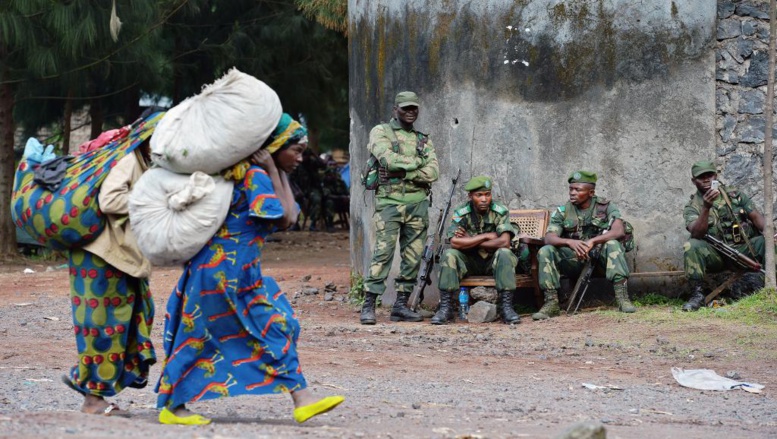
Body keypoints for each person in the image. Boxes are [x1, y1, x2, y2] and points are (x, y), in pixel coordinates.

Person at [156, 114, 344, 425]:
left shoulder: (262, 173)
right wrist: (270, 167)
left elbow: (291, 214)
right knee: (200, 335)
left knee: (276, 324)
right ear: (274, 148)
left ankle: (301, 398)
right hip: (220, 274)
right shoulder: (255, 175)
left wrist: (275, 168)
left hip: (238, 272)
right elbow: (285, 218)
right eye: (295, 150)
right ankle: (171, 406)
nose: (299, 158)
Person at [61, 141, 156, 416]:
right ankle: (93, 399)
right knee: (104, 327)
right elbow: (111, 199)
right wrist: (153, 201)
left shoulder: (147, 162)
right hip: (100, 255)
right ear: (148, 137)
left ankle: (87, 379)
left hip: (120, 256)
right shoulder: (128, 159)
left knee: (141, 313)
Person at [360, 91, 439, 325]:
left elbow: (434, 171)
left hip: (418, 205)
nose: (410, 111)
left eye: (414, 107)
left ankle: (401, 306)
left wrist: (404, 171)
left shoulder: (423, 139)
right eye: (405, 108)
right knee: (382, 254)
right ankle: (368, 305)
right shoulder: (380, 132)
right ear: (395, 109)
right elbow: (387, 159)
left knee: (413, 257)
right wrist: (416, 166)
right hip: (389, 204)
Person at [534, 171, 636, 320]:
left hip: (601, 259)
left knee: (613, 244)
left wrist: (593, 241)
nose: (572, 193)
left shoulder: (606, 207)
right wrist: (570, 242)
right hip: (575, 259)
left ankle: (622, 299)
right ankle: (551, 303)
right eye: (571, 189)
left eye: (578, 190)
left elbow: (618, 231)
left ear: (591, 192)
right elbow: (549, 238)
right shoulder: (563, 211)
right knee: (546, 250)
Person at [431, 176, 522, 325]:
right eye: (479, 195)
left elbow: (504, 242)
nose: (484, 199)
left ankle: (506, 307)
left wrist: (470, 239)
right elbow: (455, 242)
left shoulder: (500, 211)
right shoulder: (462, 212)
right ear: (470, 196)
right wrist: (485, 236)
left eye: (487, 194)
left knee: (505, 253)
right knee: (449, 254)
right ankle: (446, 309)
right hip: (470, 262)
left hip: (493, 262)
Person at [681, 160, 770, 311]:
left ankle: (768, 286)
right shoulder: (692, 207)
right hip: (718, 256)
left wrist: (772, 233)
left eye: (710, 175)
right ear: (693, 181)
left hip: (744, 249)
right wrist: (706, 207)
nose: (706, 179)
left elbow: (757, 218)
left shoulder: (735, 195)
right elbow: (696, 233)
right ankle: (697, 295)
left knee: (767, 240)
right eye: (701, 177)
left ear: (715, 175)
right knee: (691, 245)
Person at [322, 164, 350, 231]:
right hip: (330, 203)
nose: (329, 177)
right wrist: (340, 197)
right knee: (329, 203)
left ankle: (354, 223)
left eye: (331, 175)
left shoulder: (340, 182)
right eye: (328, 175)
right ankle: (330, 224)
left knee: (350, 203)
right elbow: (327, 196)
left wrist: (347, 197)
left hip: (341, 202)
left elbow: (347, 192)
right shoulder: (325, 183)